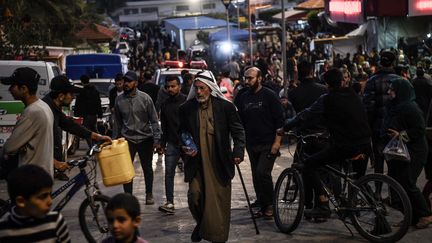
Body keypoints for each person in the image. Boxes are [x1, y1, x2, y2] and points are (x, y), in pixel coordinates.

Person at [277, 68, 371, 218]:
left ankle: (322, 204)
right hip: (366, 143)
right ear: (342, 81)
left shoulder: (327, 99)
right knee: (357, 179)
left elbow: (305, 115)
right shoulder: (353, 94)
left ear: (327, 84)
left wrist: (285, 127)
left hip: (345, 146)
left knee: (309, 165)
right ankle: (355, 207)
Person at [179, 71, 245, 242]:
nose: (199, 92)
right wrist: (185, 144)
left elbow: (238, 131)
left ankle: (218, 237)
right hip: (196, 161)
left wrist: (238, 151)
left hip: (219, 160)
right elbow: (181, 131)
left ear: (210, 88)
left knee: (218, 201)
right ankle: (201, 224)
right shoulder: (186, 109)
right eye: (196, 88)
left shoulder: (226, 107)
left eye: (202, 88)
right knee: (194, 196)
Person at [382, 78, 432, 228]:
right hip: (401, 152)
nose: (389, 92)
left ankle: (425, 214)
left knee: (408, 183)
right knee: (400, 185)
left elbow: (419, 129)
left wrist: (401, 135)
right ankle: (411, 217)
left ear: (401, 92)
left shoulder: (410, 107)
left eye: (392, 90)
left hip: (416, 151)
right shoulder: (395, 106)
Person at [42, 75, 112, 181]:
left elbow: (70, 125)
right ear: (61, 96)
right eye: (71, 94)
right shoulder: (44, 111)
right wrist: (55, 163)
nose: (73, 97)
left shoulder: (54, 108)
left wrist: (97, 136)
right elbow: (36, 144)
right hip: (36, 170)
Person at [236, 67, 284, 219]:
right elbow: (239, 120)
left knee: (262, 172)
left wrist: (277, 143)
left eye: (250, 78)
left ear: (260, 78)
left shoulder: (269, 95)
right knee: (256, 175)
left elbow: (280, 121)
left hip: (268, 142)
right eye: (246, 78)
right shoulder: (243, 97)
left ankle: (270, 205)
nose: (247, 81)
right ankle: (262, 203)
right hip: (252, 143)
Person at [114, 71, 161, 204]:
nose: (126, 84)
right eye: (125, 81)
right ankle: (128, 197)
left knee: (147, 168)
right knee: (126, 170)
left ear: (136, 83)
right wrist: (115, 140)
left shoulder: (145, 99)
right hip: (127, 139)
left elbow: (154, 120)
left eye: (129, 81)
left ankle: (149, 194)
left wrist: (157, 139)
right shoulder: (119, 100)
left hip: (145, 139)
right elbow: (117, 122)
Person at [1, 67, 54, 176]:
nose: (10, 89)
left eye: (13, 86)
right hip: (43, 173)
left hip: (31, 177)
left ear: (24, 89)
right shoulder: (44, 106)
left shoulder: (32, 112)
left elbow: (10, 147)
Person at [0, 165, 70, 242]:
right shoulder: (4, 229)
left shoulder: (56, 221)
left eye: (50, 194)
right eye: (43, 197)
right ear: (21, 201)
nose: (50, 201)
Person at [363, 50, 400, 173]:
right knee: (393, 161)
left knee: (378, 160)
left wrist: (369, 126)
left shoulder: (372, 80)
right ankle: (394, 190)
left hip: (377, 128)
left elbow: (368, 106)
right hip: (394, 128)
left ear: (380, 63)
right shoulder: (399, 80)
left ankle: (377, 191)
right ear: (393, 63)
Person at [158, 75, 187, 214]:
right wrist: (161, 144)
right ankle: (170, 203)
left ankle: (198, 200)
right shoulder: (165, 104)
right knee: (169, 173)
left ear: (179, 86)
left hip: (188, 144)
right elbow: (164, 126)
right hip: (172, 144)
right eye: (168, 86)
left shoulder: (187, 101)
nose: (170, 89)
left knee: (193, 173)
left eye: (173, 86)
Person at [74, 74, 103, 148]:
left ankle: (92, 147)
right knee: (94, 129)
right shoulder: (95, 91)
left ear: (82, 82)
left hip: (85, 115)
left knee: (86, 131)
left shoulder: (82, 92)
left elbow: (78, 105)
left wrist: (77, 114)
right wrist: (100, 113)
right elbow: (98, 102)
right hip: (94, 115)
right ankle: (99, 144)